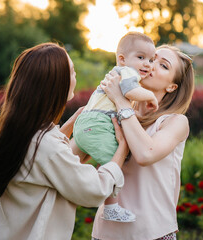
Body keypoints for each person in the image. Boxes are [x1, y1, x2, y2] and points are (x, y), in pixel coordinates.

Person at [0, 43, 129, 240]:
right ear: (55, 84)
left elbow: (52, 159)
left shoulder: (20, 133)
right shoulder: (46, 147)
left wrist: (70, 125)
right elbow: (93, 189)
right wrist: (122, 148)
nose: (75, 76)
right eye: (71, 72)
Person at [91, 44, 195, 240]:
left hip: (152, 232)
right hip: (106, 233)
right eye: (150, 59)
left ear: (172, 86)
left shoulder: (175, 122)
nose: (150, 65)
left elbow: (145, 154)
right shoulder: (113, 114)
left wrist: (121, 101)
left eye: (163, 65)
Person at [70, 32, 157, 222]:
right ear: (122, 59)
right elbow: (131, 91)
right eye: (141, 57)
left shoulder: (119, 73)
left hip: (89, 123)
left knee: (84, 163)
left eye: (151, 60)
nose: (147, 64)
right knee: (114, 162)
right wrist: (151, 96)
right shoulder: (127, 73)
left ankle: (80, 190)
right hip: (98, 123)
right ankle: (111, 207)